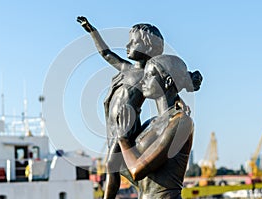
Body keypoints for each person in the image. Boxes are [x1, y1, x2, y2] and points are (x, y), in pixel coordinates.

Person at [77, 16, 164, 199]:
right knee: (117, 166)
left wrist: (187, 83)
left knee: (111, 165)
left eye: (133, 42)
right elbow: (106, 53)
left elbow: (168, 85)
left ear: (148, 48)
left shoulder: (148, 76)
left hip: (126, 125)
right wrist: (93, 31)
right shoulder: (127, 68)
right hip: (113, 127)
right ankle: (148, 188)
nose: (127, 45)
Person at [116, 54, 202, 199]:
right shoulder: (150, 124)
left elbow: (137, 171)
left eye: (149, 75)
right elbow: (136, 175)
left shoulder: (181, 122)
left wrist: (123, 139)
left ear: (168, 81)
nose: (143, 81)